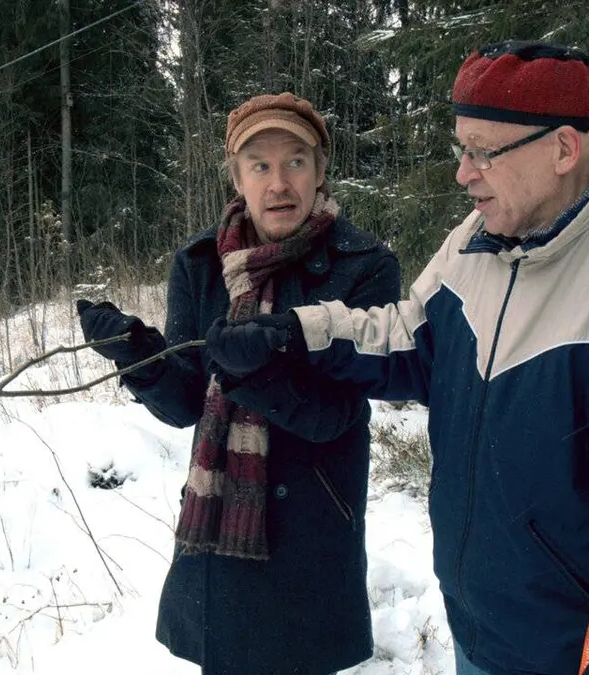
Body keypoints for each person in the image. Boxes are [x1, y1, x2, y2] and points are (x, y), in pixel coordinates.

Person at [204, 41, 589, 675]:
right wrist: (297, 333)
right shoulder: (479, 238)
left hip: (579, 651)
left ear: (564, 149)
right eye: (460, 149)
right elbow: (411, 335)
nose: (463, 173)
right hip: (477, 626)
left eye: (482, 151)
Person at [76, 92, 402, 674]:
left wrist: (262, 373)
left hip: (312, 525)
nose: (279, 183)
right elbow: (184, 404)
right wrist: (140, 357)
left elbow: (337, 414)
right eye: (260, 165)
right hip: (220, 533)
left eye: (296, 161)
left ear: (321, 170)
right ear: (237, 178)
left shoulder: (365, 266)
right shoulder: (200, 263)